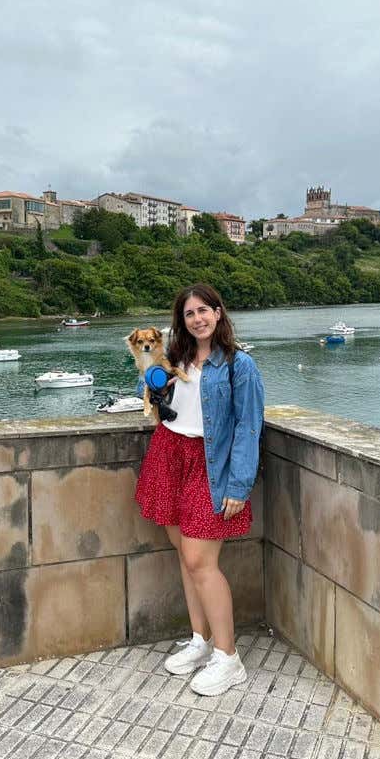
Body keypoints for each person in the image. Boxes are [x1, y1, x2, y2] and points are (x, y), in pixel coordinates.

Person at [134, 283, 265, 696]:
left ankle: (228, 659)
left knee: (201, 561)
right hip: (170, 454)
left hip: (211, 466)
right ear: (182, 321)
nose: (198, 319)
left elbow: (248, 427)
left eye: (204, 310)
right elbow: (161, 401)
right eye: (190, 314)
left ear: (219, 313)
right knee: (186, 558)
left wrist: (239, 485)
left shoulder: (239, 365)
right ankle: (200, 640)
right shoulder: (175, 357)